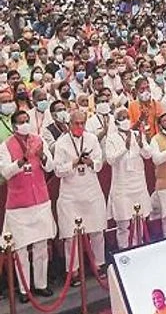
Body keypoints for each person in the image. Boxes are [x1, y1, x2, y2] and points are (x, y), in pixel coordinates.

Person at [1, 110, 55, 303]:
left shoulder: (38, 140)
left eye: (27, 120)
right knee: (21, 249)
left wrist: (42, 156)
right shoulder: (5, 146)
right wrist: (22, 160)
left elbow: (50, 167)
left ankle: (41, 285)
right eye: (21, 122)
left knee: (41, 246)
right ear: (14, 126)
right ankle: (24, 289)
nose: (25, 124)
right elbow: (6, 173)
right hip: (19, 206)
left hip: (40, 200)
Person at [53, 110, 105, 286]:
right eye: (76, 123)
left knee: (97, 230)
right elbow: (58, 170)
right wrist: (75, 162)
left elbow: (99, 163)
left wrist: (90, 162)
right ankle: (72, 270)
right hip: (70, 193)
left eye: (83, 123)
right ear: (69, 124)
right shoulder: (61, 143)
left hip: (91, 189)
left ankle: (99, 264)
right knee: (71, 235)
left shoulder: (92, 139)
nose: (80, 126)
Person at [105, 107, 152, 249]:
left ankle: (139, 247)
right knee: (123, 224)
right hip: (122, 185)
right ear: (116, 122)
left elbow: (148, 155)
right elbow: (110, 160)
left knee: (139, 220)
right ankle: (124, 251)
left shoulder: (137, 134)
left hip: (138, 183)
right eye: (122, 118)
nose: (125, 120)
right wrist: (124, 148)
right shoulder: (112, 138)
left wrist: (141, 144)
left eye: (127, 117)